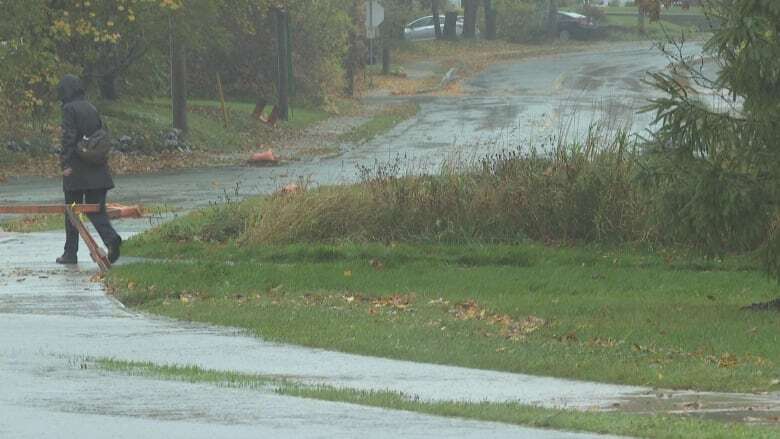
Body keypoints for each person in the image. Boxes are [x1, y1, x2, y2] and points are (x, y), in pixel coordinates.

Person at [56, 74, 122, 265]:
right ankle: (111, 239)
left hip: (76, 169)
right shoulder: (91, 107)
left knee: (72, 211)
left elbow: (69, 137)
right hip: (96, 168)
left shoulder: (69, 108)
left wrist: (65, 163)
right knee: (96, 209)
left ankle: (70, 253)